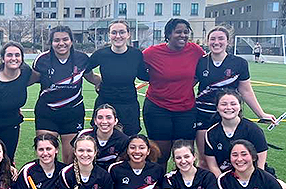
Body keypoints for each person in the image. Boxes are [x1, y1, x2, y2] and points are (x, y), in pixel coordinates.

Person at [203, 90, 286, 189]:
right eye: (224, 104)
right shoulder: (211, 133)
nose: (229, 108)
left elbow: (261, 164)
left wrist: (252, 183)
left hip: (255, 175)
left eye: (233, 104)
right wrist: (225, 184)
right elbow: (213, 166)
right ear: (217, 107)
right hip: (227, 179)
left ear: (240, 106)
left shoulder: (253, 130)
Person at [195, 26, 275, 168]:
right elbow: (186, 85)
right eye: (212, 39)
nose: (216, 42)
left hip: (229, 117)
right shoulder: (200, 62)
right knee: (204, 161)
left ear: (228, 42)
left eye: (221, 38)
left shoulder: (239, 63)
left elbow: (246, 91)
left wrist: (261, 113)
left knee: (234, 160)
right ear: (207, 42)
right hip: (203, 116)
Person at [142, 18, 205, 168]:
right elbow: (136, 69)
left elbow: (201, 73)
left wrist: (184, 86)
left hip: (186, 110)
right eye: (178, 32)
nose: (182, 35)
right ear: (168, 34)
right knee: (160, 155)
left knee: (185, 155)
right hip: (158, 109)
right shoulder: (151, 53)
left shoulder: (196, 51)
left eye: (185, 32)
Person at [32, 26, 97, 164]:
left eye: (65, 39)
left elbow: (92, 77)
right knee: (47, 156)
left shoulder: (82, 59)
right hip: (47, 113)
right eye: (56, 40)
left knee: (70, 159)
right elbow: (27, 80)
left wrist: (112, 82)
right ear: (51, 42)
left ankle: (66, 185)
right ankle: (49, 185)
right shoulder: (42, 60)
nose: (61, 43)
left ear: (72, 41)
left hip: (73, 114)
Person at [85, 20, 149, 135]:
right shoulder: (101, 54)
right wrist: (96, 80)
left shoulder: (136, 54)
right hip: (105, 102)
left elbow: (143, 75)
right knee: (101, 140)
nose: (118, 36)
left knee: (129, 142)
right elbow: (85, 70)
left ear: (128, 34)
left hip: (129, 105)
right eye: (114, 32)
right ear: (109, 35)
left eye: (122, 32)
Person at [0, 42, 39, 162]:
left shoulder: (26, 73)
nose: (13, 58)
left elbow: (40, 76)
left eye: (17, 55)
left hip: (11, 127)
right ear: (3, 58)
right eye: (9, 55)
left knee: (8, 160)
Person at [74, 104, 129, 171]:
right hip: (87, 173)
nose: (104, 121)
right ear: (95, 121)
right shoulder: (84, 135)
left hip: (110, 176)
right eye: (100, 117)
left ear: (115, 121)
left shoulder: (123, 139)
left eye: (108, 117)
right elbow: (73, 158)